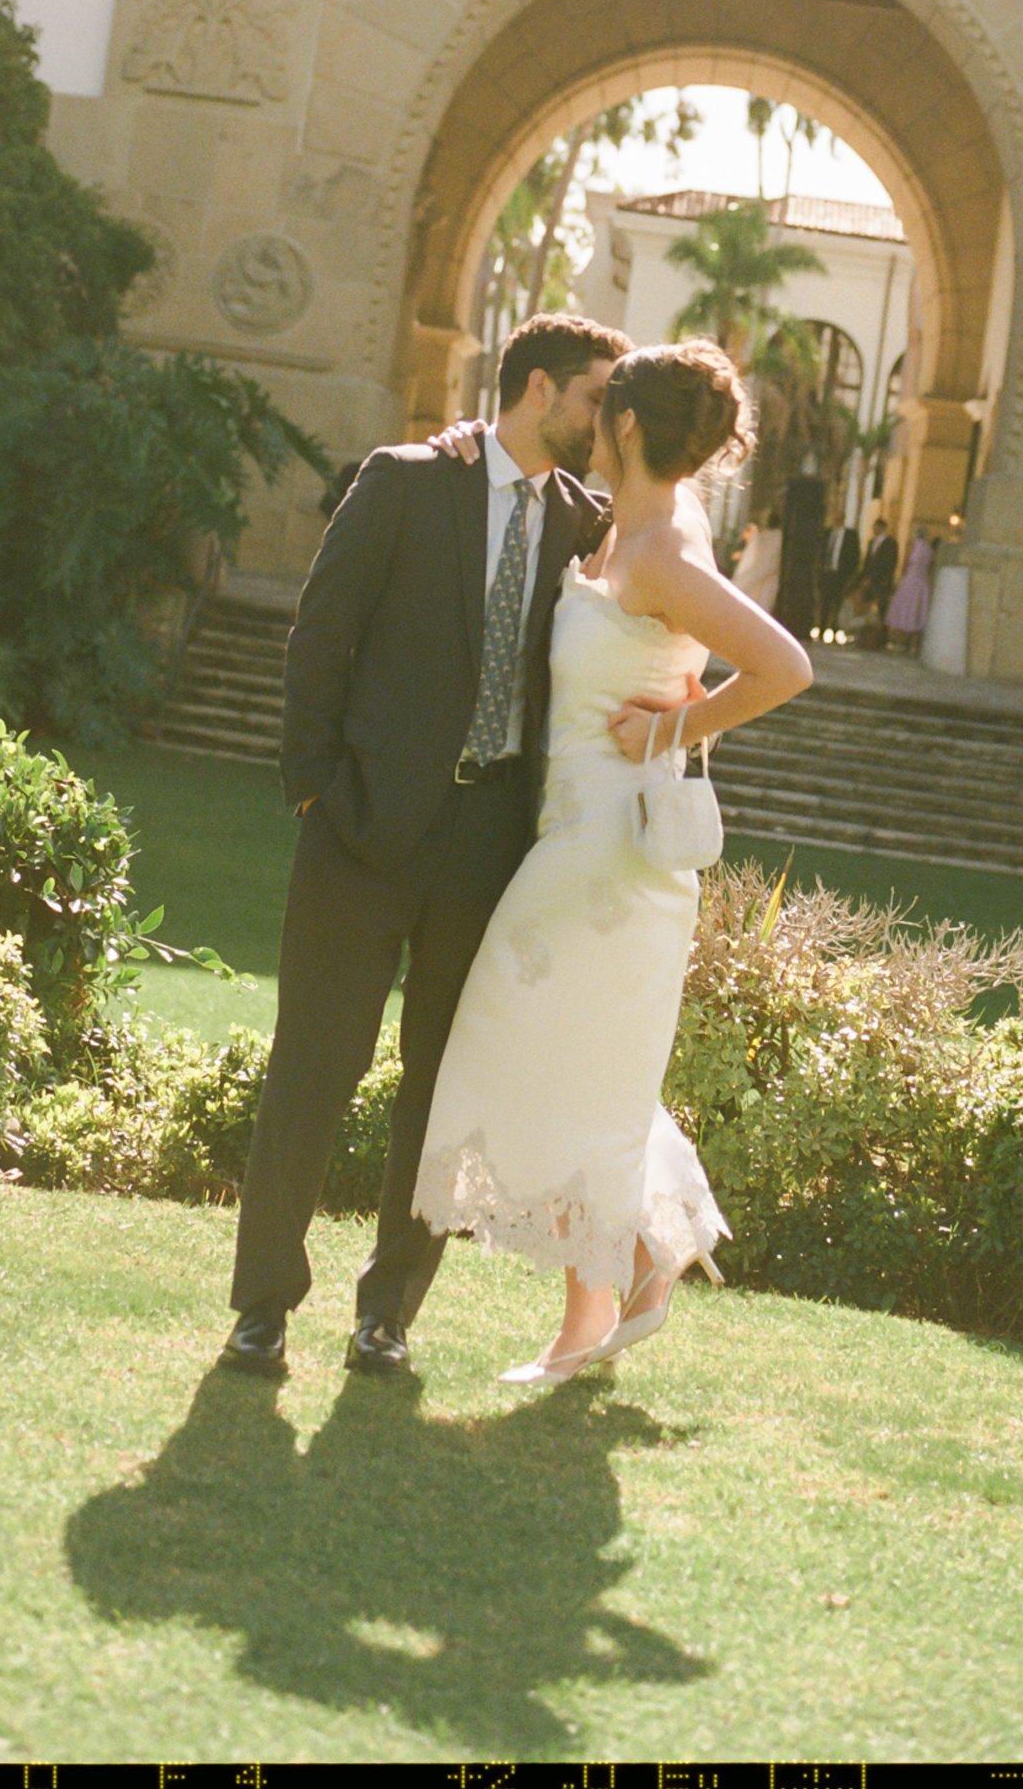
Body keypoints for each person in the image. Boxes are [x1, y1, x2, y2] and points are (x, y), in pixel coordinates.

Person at [220, 310, 666, 1383]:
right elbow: (322, 633)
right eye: (597, 397)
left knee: (440, 1095)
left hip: (491, 849)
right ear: (539, 387)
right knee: (312, 1069)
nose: (607, 421)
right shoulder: (406, 482)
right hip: (361, 829)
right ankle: (261, 1309)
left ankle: (388, 1316)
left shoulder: (589, 527)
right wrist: (313, 787)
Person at [414, 342, 814, 1384]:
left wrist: (677, 726)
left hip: (609, 856)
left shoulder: (664, 551)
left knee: (521, 1043)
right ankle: (597, 1301)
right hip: (573, 836)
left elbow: (784, 665)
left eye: (601, 407)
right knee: (575, 1065)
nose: (588, 420)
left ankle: (626, 1265)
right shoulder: (628, 528)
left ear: (626, 425)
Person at [774, 468, 826, 648]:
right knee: (801, 588)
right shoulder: (810, 519)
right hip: (801, 563)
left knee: (798, 588)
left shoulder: (797, 520)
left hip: (798, 562)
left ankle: (795, 623)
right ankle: (797, 624)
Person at [887, 527, 936, 655]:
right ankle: (914, 645)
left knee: (905, 610)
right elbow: (930, 567)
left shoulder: (913, 547)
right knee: (917, 612)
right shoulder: (929, 549)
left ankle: (901, 643)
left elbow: (905, 564)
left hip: (910, 581)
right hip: (922, 583)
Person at [855, 516, 898, 646]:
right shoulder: (872, 542)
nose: (874, 530)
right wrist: (863, 578)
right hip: (870, 580)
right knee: (867, 609)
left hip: (882, 581)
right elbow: (868, 563)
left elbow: (890, 563)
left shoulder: (890, 543)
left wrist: (884, 579)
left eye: (876, 527)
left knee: (882, 609)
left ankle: (882, 638)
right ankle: (866, 637)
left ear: (882, 527)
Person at [818, 516, 862, 642]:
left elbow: (855, 555)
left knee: (838, 603)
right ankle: (822, 628)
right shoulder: (827, 533)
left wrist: (850, 575)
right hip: (827, 573)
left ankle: (835, 629)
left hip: (841, 575)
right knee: (825, 602)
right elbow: (821, 551)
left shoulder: (851, 536)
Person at [731, 516, 781, 615]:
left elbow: (747, 562)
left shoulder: (760, 538)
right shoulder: (781, 539)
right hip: (770, 582)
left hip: (755, 580)